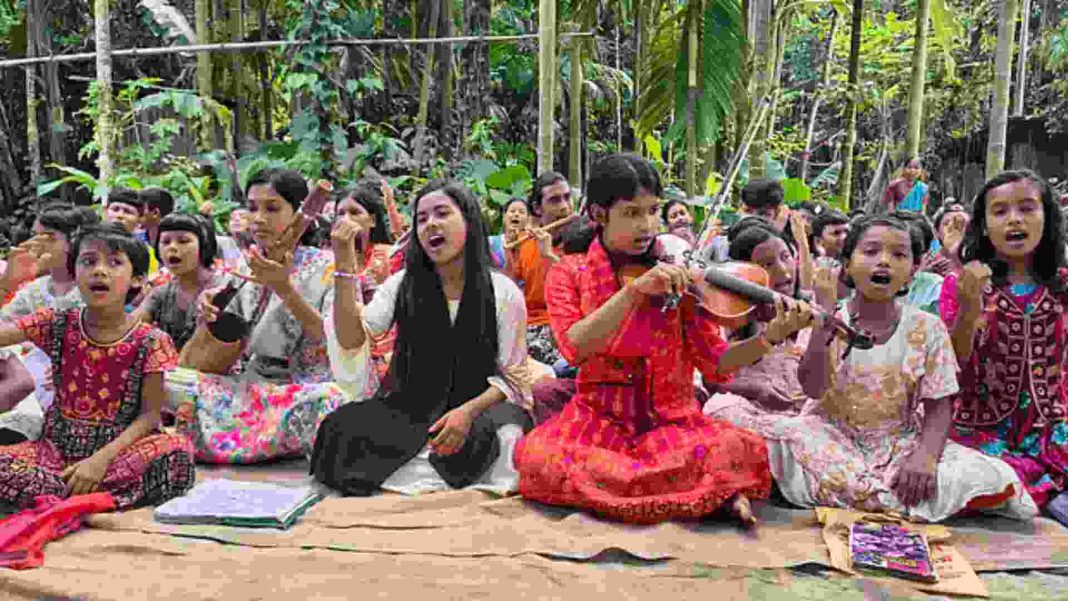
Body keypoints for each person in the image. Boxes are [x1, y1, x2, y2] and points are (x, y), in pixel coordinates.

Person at [514, 154, 785, 526]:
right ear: (599, 214)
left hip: (672, 422)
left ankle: (672, 491)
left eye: (653, 210)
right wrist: (633, 293)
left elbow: (715, 362)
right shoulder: (568, 272)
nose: (647, 225)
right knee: (541, 459)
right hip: (601, 420)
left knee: (735, 447)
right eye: (632, 213)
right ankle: (706, 495)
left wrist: (768, 338)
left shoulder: (681, 273)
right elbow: (573, 347)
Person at [720, 216, 1035, 522]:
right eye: (870, 252)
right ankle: (881, 496)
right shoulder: (827, 317)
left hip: (898, 440)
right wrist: (824, 319)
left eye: (898, 254)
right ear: (847, 265)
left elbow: (939, 408)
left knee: (992, 476)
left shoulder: (928, 328)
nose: (884, 262)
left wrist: (924, 459)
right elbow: (813, 389)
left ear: (913, 270)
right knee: (742, 423)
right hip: (828, 435)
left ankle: (869, 493)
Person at [310, 180, 533, 496]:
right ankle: (432, 470)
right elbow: (350, 338)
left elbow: (513, 378)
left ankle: (421, 471)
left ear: (468, 221)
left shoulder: (503, 292)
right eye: (422, 219)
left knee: (509, 433)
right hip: (411, 409)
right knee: (339, 428)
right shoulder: (401, 284)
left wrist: (466, 413)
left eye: (442, 213)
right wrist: (344, 265)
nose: (431, 225)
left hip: (478, 408)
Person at [0, 223, 194, 509]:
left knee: (177, 453)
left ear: (138, 279)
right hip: (54, 452)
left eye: (115, 262)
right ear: (75, 274)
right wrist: (8, 284)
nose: (99, 270)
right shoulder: (57, 321)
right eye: (88, 261)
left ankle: (62, 494)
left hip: (119, 455)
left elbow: (149, 417)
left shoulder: (151, 340)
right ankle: (87, 496)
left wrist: (98, 462)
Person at [171, 168, 347, 464]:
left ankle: (245, 441)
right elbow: (224, 345)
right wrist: (209, 312)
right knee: (172, 382)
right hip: (249, 384)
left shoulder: (327, 266)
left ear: (299, 213)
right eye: (252, 208)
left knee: (329, 401)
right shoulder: (242, 265)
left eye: (273, 208)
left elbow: (332, 339)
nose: (259, 218)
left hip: (302, 386)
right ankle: (263, 440)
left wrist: (284, 289)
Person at [941, 170, 1068, 525]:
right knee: (964, 481)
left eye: (1027, 208)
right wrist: (968, 310)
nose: (1014, 219)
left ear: (1047, 217)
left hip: (1052, 431)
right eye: (999, 211)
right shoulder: (961, 285)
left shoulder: (1062, 285)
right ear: (983, 226)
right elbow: (952, 366)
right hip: (980, 432)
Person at [0, 204, 99, 446]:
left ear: (74, 241)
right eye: (35, 235)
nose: (38, 244)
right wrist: (7, 284)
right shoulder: (34, 288)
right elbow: (5, 326)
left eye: (50, 238)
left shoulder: (92, 287)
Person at [704, 220, 815, 419]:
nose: (783, 270)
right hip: (751, 410)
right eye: (767, 264)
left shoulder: (808, 309)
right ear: (745, 274)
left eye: (786, 257)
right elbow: (712, 379)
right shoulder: (729, 316)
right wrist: (755, 390)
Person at [133, 214, 228, 352]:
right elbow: (130, 328)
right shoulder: (160, 293)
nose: (172, 247)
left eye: (183, 241)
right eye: (165, 242)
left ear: (204, 245)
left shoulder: (224, 287)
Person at [105, 189, 160, 278]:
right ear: (105, 212)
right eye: (115, 209)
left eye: (127, 212)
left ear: (139, 220)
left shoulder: (147, 253)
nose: (120, 215)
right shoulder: (90, 243)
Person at [922, 201, 970, 277]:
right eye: (946, 223)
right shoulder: (927, 263)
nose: (953, 228)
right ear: (936, 232)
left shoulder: (984, 263)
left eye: (961, 223)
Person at [488, 198, 530, 271]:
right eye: (512, 211)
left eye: (522, 212)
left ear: (528, 219)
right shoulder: (490, 243)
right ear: (504, 216)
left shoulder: (532, 246)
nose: (516, 214)